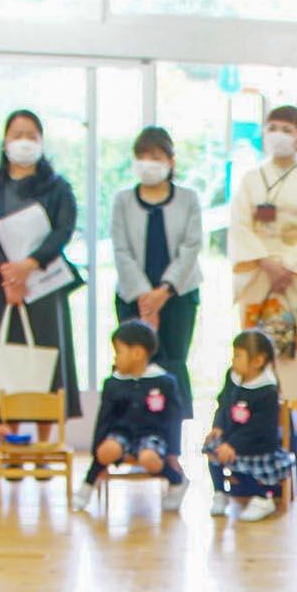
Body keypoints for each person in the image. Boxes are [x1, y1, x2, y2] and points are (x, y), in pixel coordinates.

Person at [0, 109, 83, 418]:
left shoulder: (58, 187)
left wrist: (29, 265)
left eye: (31, 136)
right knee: (1, 362)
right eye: (17, 135)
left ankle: (46, 433)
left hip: (43, 283)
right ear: (4, 141)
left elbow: (63, 229)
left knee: (46, 361)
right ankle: (3, 434)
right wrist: (8, 272)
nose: (24, 142)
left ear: (42, 142)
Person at [230, 105, 297, 447]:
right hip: (258, 277)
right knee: (253, 354)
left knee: (292, 359)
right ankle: (249, 436)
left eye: (287, 129)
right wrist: (265, 261)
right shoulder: (250, 180)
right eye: (272, 127)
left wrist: (288, 265)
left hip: (294, 282)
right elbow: (239, 225)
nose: (279, 135)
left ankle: (291, 440)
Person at [110, 126, 203, 430]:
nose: (148, 164)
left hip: (178, 296)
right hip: (132, 297)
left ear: (171, 161)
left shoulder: (188, 199)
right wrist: (144, 296)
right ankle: (132, 434)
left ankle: (172, 438)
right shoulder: (123, 200)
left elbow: (191, 247)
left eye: (156, 157)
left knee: (172, 363)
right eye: (142, 157)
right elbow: (121, 250)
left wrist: (163, 293)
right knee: (134, 362)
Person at [74, 320, 186, 515]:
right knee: (106, 451)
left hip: (152, 435)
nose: (115, 358)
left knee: (148, 458)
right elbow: (104, 418)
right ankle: (88, 484)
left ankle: (177, 481)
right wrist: (96, 448)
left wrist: (173, 451)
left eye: (119, 352)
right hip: (121, 433)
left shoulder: (164, 382)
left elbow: (173, 419)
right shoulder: (113, 383)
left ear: (137, 353)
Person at [203, 329, 289, 524]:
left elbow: (259, 428)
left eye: (238, 355)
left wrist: (233, 444)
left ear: (257, 361)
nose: (233, 360)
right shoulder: (232, 376)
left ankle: (262, 497)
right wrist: (218, 426)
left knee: (231, 457)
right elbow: (223, 404)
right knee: (212, 447)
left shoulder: (268, 391)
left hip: (258, 446)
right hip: (232, 439)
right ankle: (220, 493)